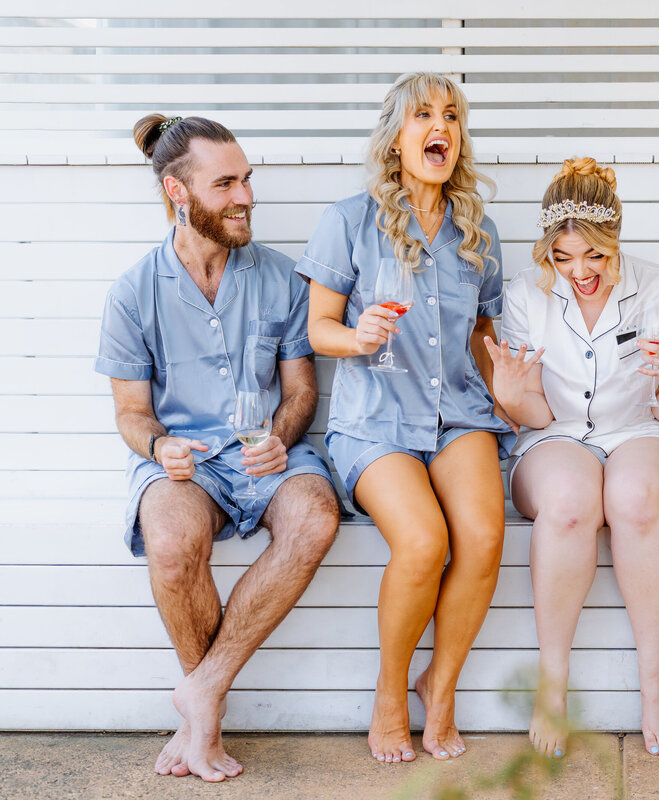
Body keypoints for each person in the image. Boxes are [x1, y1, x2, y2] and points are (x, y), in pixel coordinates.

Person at [94, 114, 340, 782]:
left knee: (317, 516)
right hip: (184, 462)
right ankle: (205, 714)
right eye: (226, 183)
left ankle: (201, 693)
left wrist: (282, 437)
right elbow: (130, 412)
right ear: (180, 193)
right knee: (173, 545)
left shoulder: (283, 277)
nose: (247, 196)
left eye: (247, 179)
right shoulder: (133, 293)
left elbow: (300, 391)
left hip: (268, 455)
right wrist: (160, 444)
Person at [297, 72, 513, 765]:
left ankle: (438, 688)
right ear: (396, 137)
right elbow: (317, 330)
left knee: (480, 536)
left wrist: (511, 383)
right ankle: (390, 695)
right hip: (374, 421)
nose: (439, 126)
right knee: (423, 542)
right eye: (423, 114)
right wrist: (356, 337)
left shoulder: (478, 230)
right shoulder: (348, 220)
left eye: (451, 115)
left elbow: (481, 336)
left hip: (458, 417)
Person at [484, 158, 659, 760]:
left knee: (632, 497)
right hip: (553, 435)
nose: (579, 271)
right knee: (571, 500)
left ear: (615, 242)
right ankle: (551, 683)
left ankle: (655, 679)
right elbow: (531, 410)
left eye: (594, 257)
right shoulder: (525, 297)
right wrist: (509, 396)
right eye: (563, 257)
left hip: (643, 433)